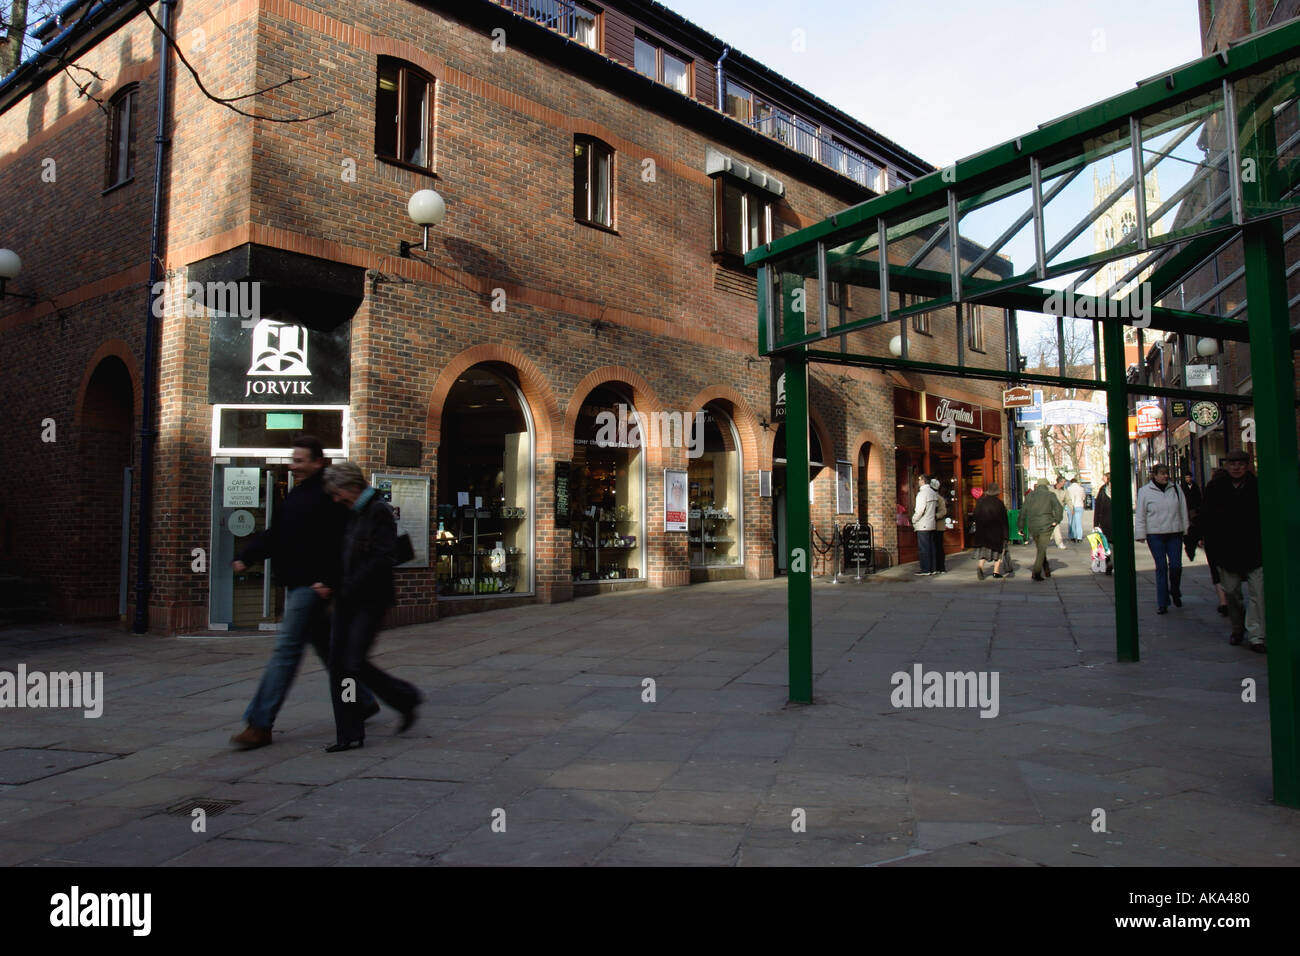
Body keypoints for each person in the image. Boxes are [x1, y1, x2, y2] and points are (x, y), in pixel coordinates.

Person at [229, 436, 377, 750]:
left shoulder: (330, 495)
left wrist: (329, 579)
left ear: (317, 462)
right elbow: (278, 534)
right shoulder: (297, 494)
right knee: (328, 650)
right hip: (300, 582)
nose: (292, 465)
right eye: (292, 459)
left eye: (299, 460)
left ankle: (259, 723)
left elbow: (345, 541)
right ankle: (362, 700)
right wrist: (248, 555)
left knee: (285, 651)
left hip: (312, 586)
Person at [319, 461, 422, 751]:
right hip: (346, 599)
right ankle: (351, 730)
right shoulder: (352, 512)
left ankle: (401, 698)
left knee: (352, 663)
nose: (336, 498)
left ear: (352, 486)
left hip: (369, 600)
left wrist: (348, 586)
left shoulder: (378, 510)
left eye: (338, 492)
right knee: (342, 665)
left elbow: (381, 557)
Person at [1200, 451, 1265, 653]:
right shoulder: (1216, 488)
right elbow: (1206, 516)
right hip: (1227, 552)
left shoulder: (1257, 487)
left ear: (1247, 466)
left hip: (1255, 550)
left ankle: (1256, 636)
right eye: (1232, 464)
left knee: (1258, 595)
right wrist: (1195, 539)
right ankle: (1238, 627)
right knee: (1232, 594)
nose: (1236, 467)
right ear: (1226, 466)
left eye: (1240, 463)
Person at [1134, 463, 1189, 615]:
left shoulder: (1176, 489)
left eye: (1167, 473)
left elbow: (1183, 510)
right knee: (1161, 567)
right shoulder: (1145, 491)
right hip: (1155, 534)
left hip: (1174, 532)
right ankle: (1163, 602)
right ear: (1154, 475)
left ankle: (1175, 590)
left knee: (1176, 565)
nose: (1165, 476)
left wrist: (1186, 529)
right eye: (1162, 473)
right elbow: (1140, 515)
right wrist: (1140, 534)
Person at [1019, 479, 1063, 581]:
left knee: (1040, 548)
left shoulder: (1030, 496)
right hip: (1046, 525)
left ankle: (1046, 569)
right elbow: (1058, 509)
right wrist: (1056, 520)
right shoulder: (1050, 495)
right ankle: (1036, 572)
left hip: (1032, 526)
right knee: (1041, 549)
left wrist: (1020, 527)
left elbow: (1023, 512)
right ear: (1046, 485)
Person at [972, 483, 1009, 580]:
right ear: (997, 492)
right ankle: (996, 572)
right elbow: (1004, 520)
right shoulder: (999, 503)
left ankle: (980, 567)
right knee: (998, 552)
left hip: (983, 532)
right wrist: (1006, 535)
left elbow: (975, 515)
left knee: (983, 552)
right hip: (996, 533)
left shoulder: (980, 501)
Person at [911, 473, 941, 576]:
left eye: (919, 480)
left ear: (923, 481)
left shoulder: (922, 493)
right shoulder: (933, 493)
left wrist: (914, 519)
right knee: (931, 547)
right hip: (931, 523)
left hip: (923, 524)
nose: (918, 482)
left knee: (923, 548)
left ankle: (925, 569)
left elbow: (920, 510)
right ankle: (933, 568)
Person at [1092, 473, 1113, 575]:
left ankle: (1111, 563)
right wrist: (1096, 524)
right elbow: (1098, 508)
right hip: (1105, 523)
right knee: (1107, 545)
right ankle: (1109, 563)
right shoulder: (1103, 491)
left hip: (1118, 524)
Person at [1180, 473, 1204, 560]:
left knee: (1194, 523)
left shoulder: (1195, 486)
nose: (1188, 479)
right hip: (1186, 508)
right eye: (1186, 477)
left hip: (1193, 508)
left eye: (1189, 477)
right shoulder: (1182, 487)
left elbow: (1198, 496)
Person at [930, 477, 948, 574]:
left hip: (938, 527)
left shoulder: (939, 498)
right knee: (935, 547)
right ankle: (936, 566)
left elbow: (943, 511)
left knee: (938, 547)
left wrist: (934, 516)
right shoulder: (936, 497)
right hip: (932, 525)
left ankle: (941, 567)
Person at [1051, 477, 1070, 549]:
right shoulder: (1051, 490)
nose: (1065, 483)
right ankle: (1059, 542)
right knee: (1056, 526)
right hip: (1050, 510)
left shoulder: (1065, 490)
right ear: (1059, 482)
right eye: (1064, 482)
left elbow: (1068, 499)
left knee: (1054, 525)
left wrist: (1071, 508)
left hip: (1059, 511)